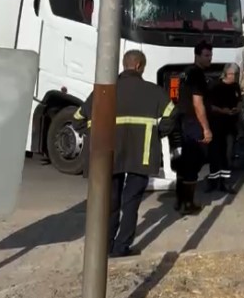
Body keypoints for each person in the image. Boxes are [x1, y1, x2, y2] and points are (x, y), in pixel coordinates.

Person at [73, 50, 176, 258]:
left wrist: (94, 135)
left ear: (125, 64)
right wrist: (158, 133)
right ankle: (122, 247)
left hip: (110, 155)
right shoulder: (154, 91)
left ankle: (106, 245)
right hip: (142, 154)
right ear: (139, 66)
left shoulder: (104, 92)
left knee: (111, 201)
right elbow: (172, 115)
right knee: (131, 202)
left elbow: (78, 119)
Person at [176, 42, 215, 213]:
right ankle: (188, 204)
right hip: (194, 122)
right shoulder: (197, 74)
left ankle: (180, 201)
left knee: (185, 163)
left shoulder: (186, 72)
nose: (209, 58)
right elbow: (198, 104)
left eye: (210, 55)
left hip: (184, 120)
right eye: (206, 55)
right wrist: (206, 128)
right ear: (197, 55)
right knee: (194, 161)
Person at [205, 63, 242, 193]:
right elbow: (210, 106)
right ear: (225, 73)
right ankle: (213, 181)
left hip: (231, 125)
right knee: (215, 153)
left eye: (235, 74)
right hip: (217, 124)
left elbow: (239, 100)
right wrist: (223, 111)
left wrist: (238, 107)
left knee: (228, 153)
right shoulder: (215, 86)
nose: (233, 77)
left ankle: (225, 182)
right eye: (231, 74)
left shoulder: (236, 86)